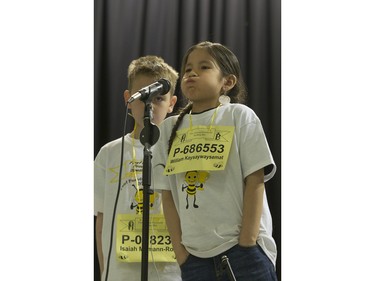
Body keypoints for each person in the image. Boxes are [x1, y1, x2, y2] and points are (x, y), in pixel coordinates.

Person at [151, 41, 278, 281]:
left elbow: (255, 181)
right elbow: (167, 196)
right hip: (194, 260)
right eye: (188, 69)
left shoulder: (239, 116)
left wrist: (248, 242)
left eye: (204, 67)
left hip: (244, 254)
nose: (192, 73)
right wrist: (181, 254)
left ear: (227, 82)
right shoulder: (168, 129)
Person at [95, 55, 182, 281]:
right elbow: (101, 217)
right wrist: (105, 271)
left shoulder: (181, 149)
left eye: (159, 99)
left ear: (172, 104)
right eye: (143, 97)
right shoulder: (109, 153)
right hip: (120, 273)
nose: (150, 105)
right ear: (128, 99)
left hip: (170, 272)